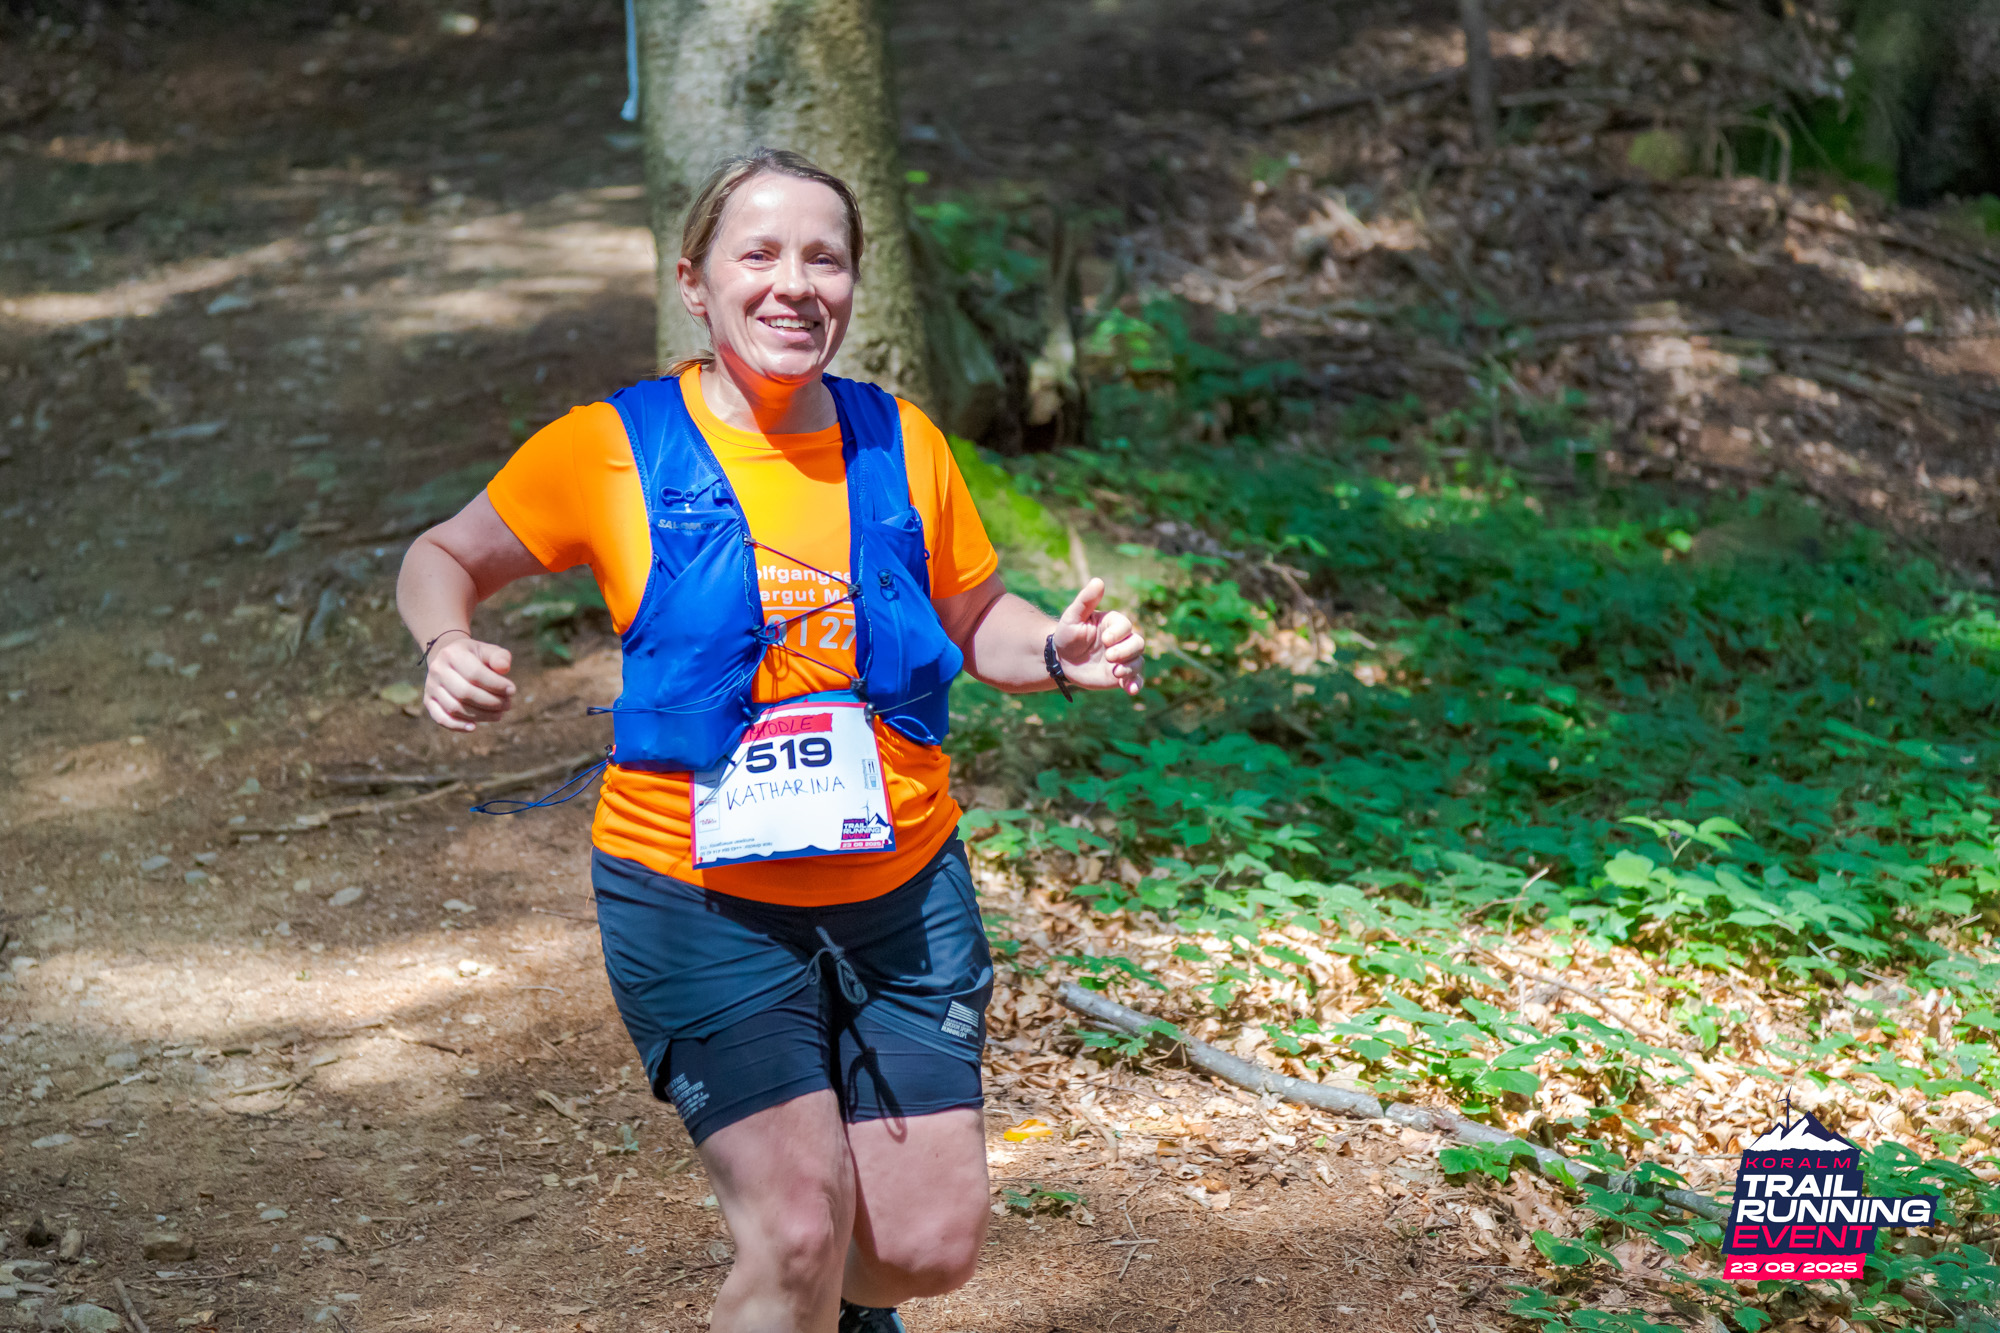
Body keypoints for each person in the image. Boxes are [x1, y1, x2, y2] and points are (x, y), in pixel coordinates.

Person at [395, 147, 1147, 1333]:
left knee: (921, 1247)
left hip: (902, 889)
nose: (794, 284)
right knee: (796, 1233)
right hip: (696, 896)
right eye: (759, 254)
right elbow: (443, 554)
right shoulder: (608, 446)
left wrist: (1053, 649)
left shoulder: (898, 440)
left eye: (824, 259)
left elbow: (973, 616)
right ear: (694, 283)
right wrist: (446, 643)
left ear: (851, 285)